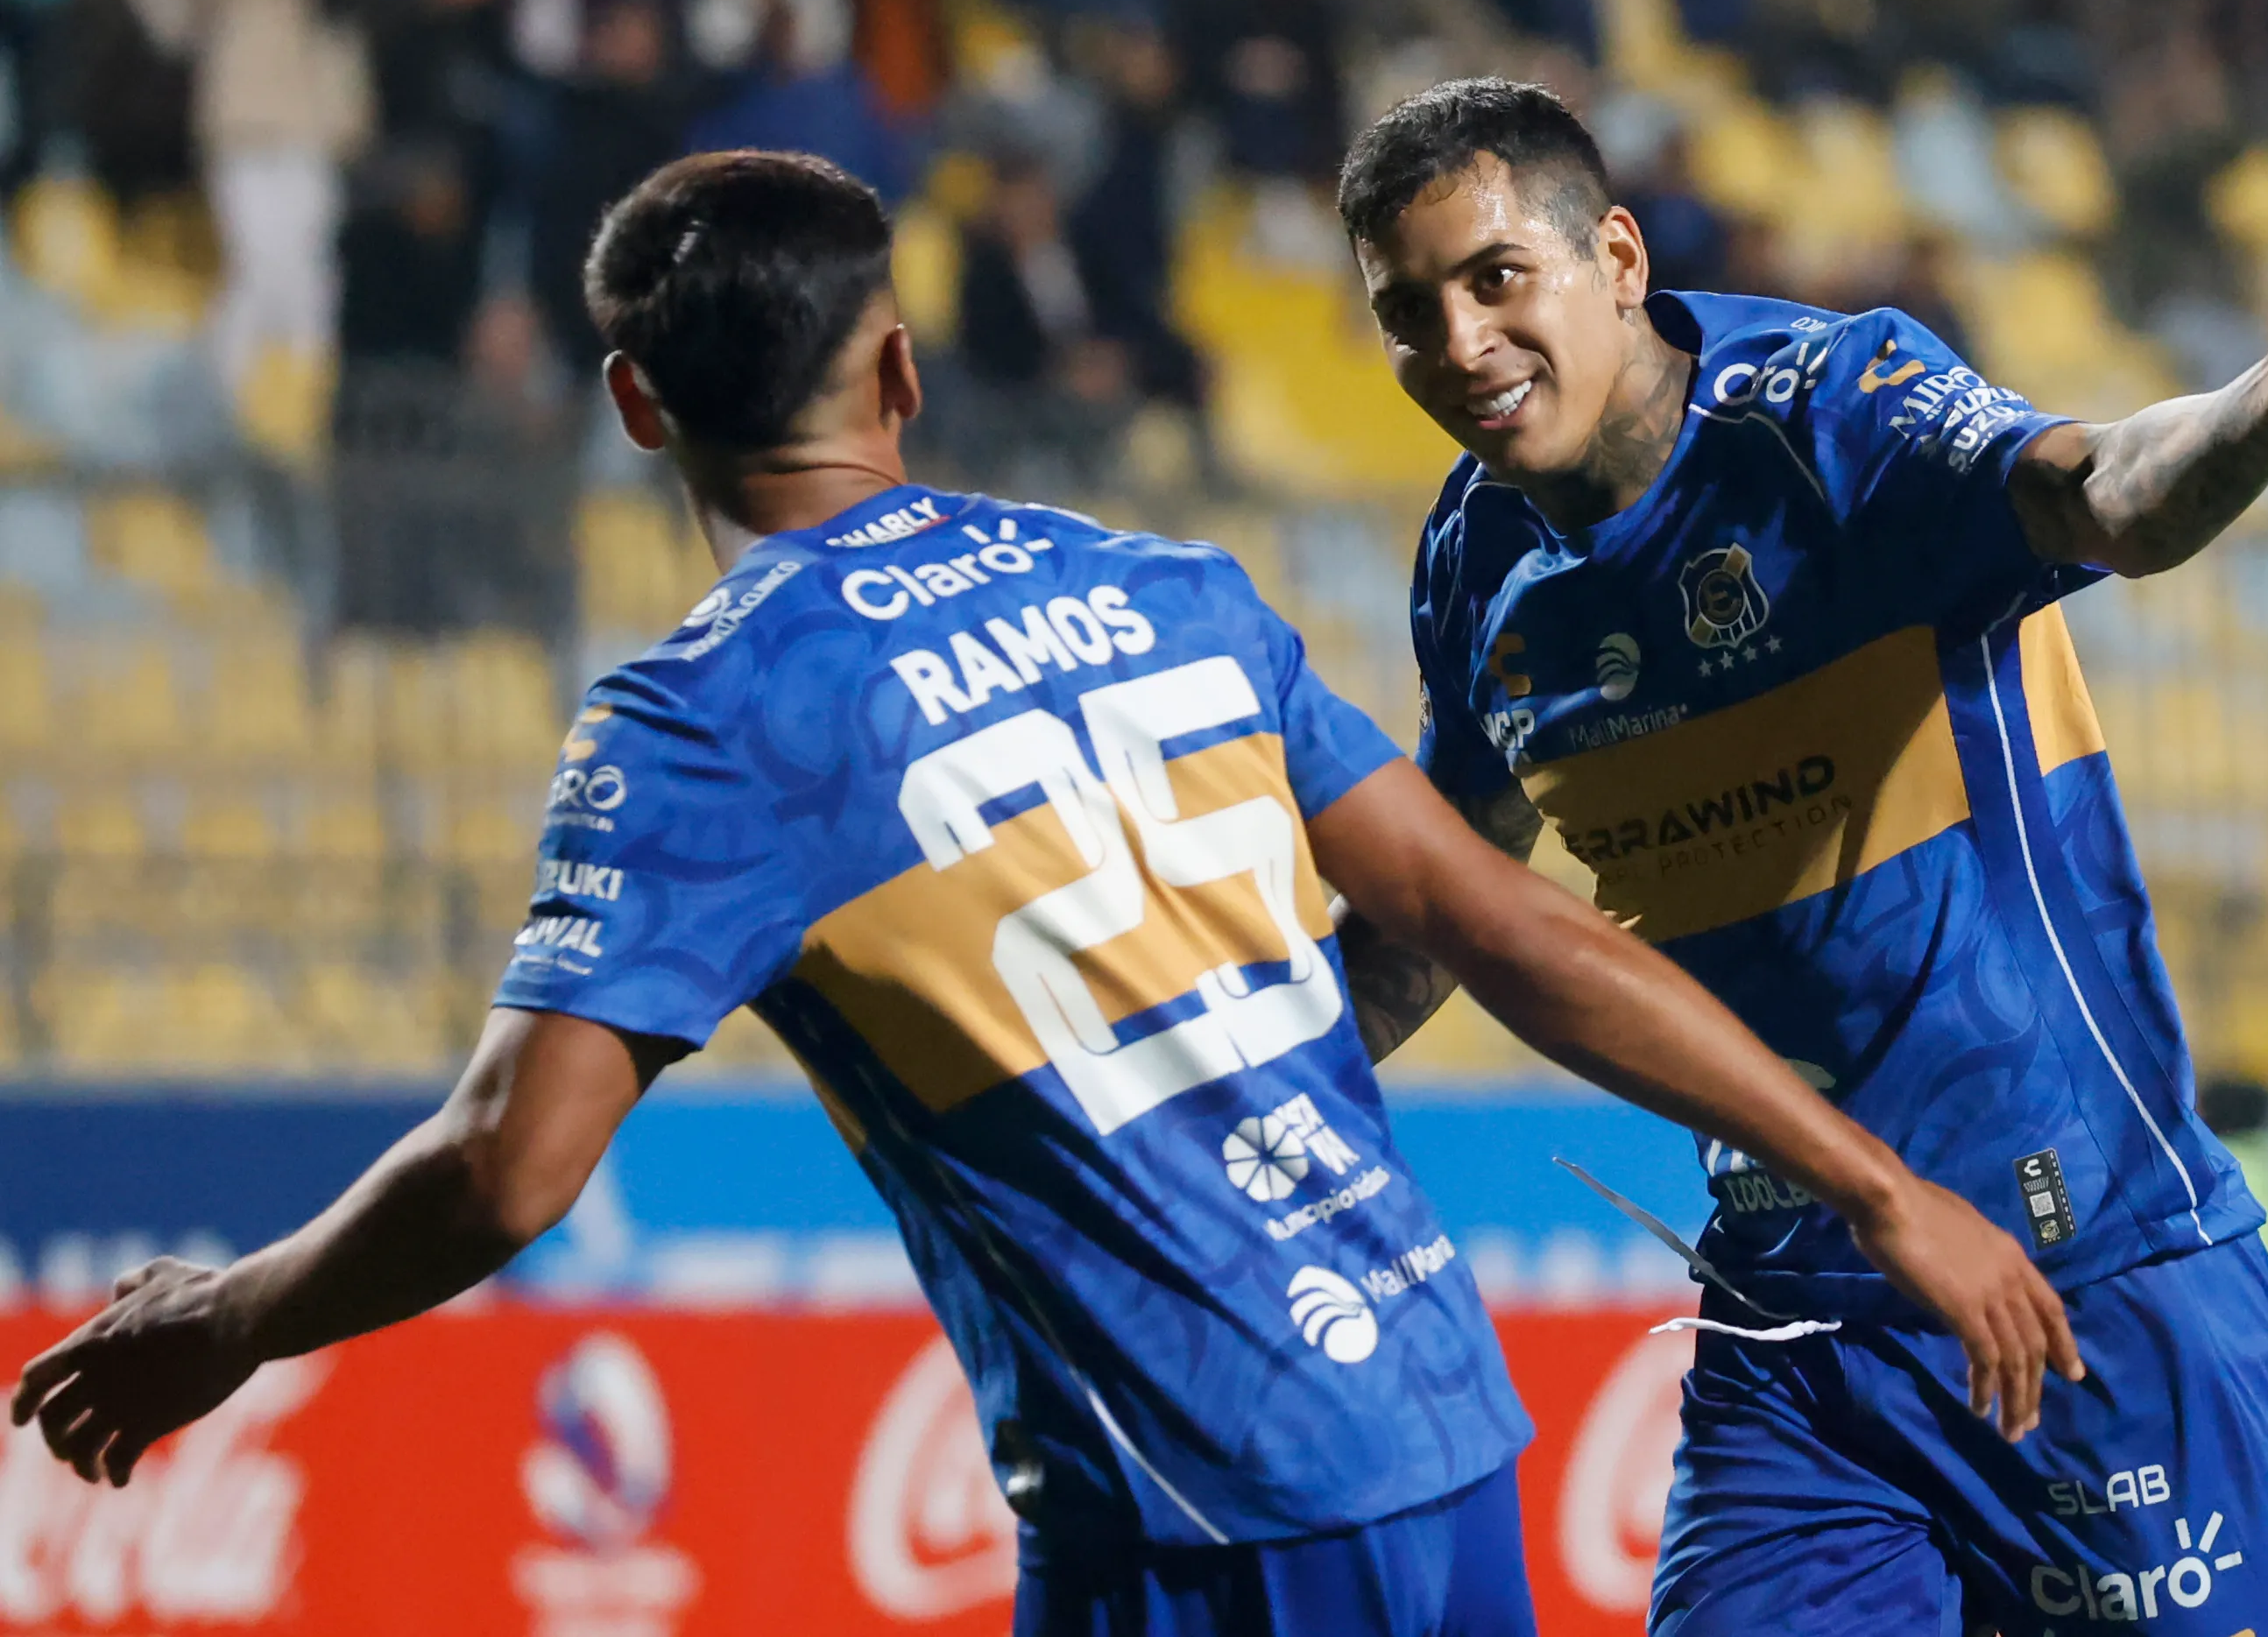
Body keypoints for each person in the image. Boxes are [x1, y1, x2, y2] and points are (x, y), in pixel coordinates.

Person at [10, 150, 2074, 1637]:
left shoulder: (711, 717)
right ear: (900, 371)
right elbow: (1508, 925)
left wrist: (232, 1318)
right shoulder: (1164, 588)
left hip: (1193, 1501)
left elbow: (508, 1167)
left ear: (636, 406)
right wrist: (1875, 1181)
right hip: (1441, 1420)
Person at [1332, 78, 2268, 1635]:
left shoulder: (1831, 416)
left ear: (1617, 259)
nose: (1458, 344)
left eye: (1495, 277)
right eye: (1408, 311)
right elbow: (1434, 913)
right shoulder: (1476, 566)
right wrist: (1183, 1095)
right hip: (1795, 1335)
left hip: (2088, 1283)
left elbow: (2105, 494)